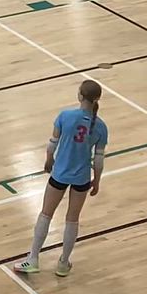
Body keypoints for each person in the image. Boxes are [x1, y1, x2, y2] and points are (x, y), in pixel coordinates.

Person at [12, 80, 106, 276]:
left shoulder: (65, 116)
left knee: (46, 214)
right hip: (82, 178)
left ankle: (33, 258)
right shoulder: (101, 127)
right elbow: (98, 159)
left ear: (80, 96)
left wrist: (49, 160)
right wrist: (96, 180)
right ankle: (63, 263)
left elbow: (52, 143)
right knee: (72, 219)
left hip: (60, 173)